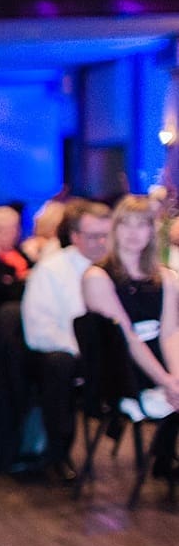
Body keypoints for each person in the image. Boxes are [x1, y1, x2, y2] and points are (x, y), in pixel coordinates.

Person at [81, 195, 179, 468]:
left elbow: (170, 332)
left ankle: (165, 455)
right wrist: (165, 381)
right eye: (127, 224)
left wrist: (175, 376)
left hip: (158, 359)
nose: (134, 233)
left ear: (152, 230)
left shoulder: (166, 278)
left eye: (142, 225)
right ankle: (165, 456)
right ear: (115, 229)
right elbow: (126, 338)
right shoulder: (97, 277)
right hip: (120, 368)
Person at [21, 201, 112, 482]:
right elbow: (39, 331)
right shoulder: (51, 270)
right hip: (65, 353)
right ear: (75, 237)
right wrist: (80, 350)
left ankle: (164, 451)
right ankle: (57, 454)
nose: (102, 243)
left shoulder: (118, 266)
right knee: (59, 365)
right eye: (94, 236)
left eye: (107, 236)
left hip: (115, 354)